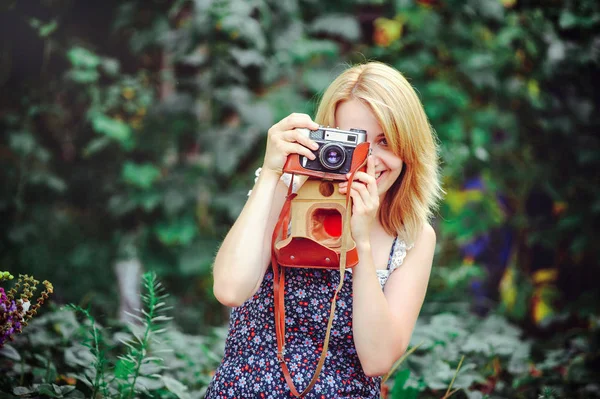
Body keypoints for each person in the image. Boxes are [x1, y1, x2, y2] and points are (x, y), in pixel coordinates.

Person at [205, 62, 443, 398]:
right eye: (354, 141)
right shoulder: (286, 190)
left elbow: (377, 360)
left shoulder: (411, 237)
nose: (368, 160)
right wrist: (272, 175)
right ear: (325, 139)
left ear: (409, 149)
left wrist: (361, 242)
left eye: (385, 142)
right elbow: (230, 289)